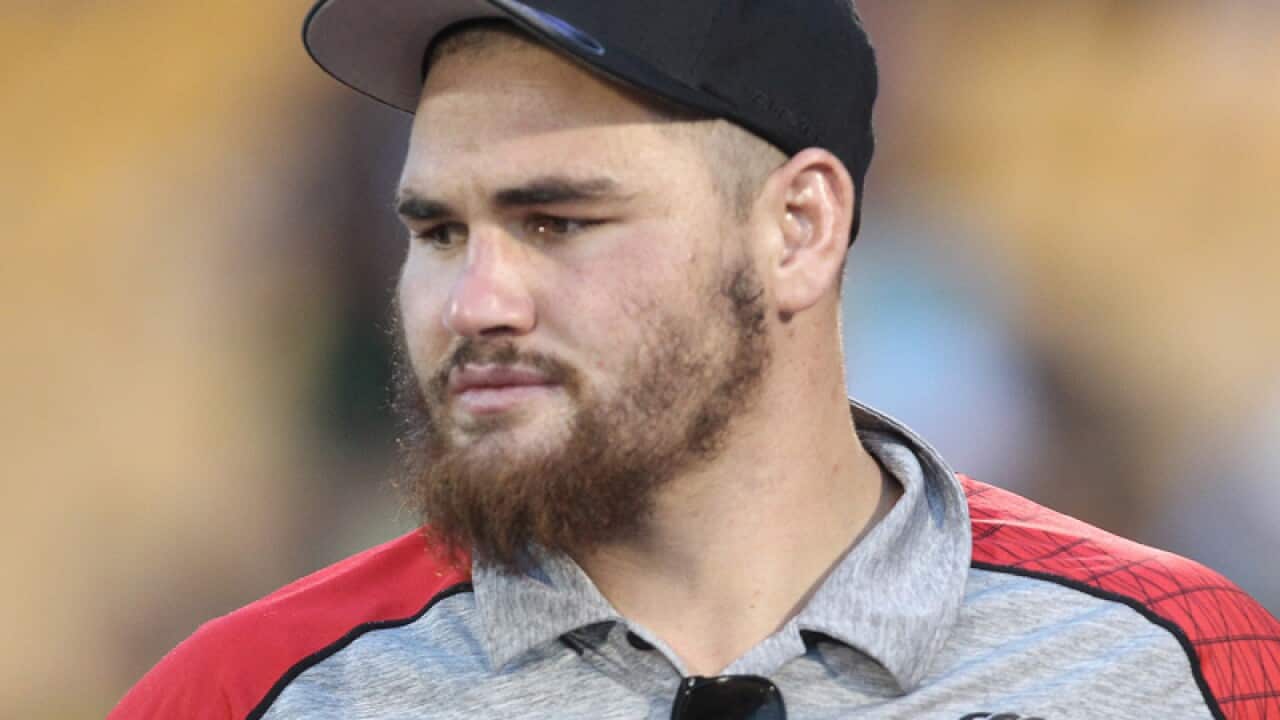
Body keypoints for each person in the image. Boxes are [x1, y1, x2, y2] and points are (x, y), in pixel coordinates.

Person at [111, 1, 1280, 718]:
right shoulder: (241, 694)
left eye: (559, 221)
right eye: (436, 231)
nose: (470, 301)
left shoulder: (1181, 666)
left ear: (798, 231)